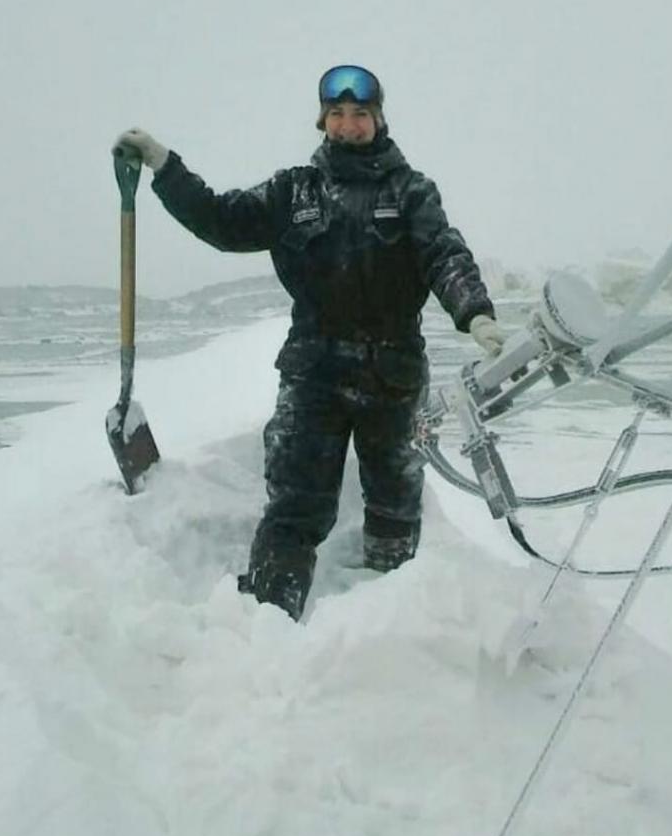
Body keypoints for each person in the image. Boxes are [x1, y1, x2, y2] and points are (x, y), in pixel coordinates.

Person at [113, 64, 509, 620]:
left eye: (360, 115)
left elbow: (444, 253)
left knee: (395, 506)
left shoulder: (412, 191)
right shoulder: (293, 190)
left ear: (378, 119)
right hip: (314, 372)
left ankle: (397, 634)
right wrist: (165, 167)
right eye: (338, 115)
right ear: (324, 120)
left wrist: (475, 313)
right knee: (296, 504)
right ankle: (269, 623)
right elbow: (222, 221)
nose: (349, 126)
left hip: (391, 375)